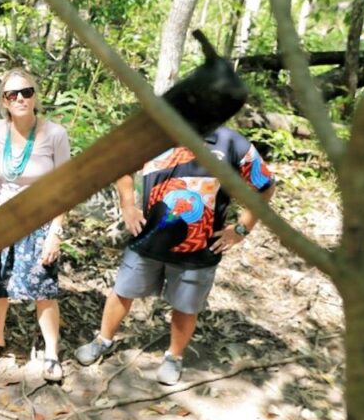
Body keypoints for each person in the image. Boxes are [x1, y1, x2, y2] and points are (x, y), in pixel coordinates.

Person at [74, 126, 276, 385]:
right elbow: (122, 166)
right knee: (123, 291)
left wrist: (241, 228)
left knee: (185, 306)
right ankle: (103, 340)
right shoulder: (154, 134)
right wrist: (128, 205)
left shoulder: (232, 143)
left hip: (199, 248)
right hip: (147, 238)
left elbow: (265, 184)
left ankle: (174, 357)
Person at [0, 68, 71, 382]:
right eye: (13, 94)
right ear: (4, 100)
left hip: (39, 221)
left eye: (26, 91)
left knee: (43, 287)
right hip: (0, 218)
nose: (20, 98)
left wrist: (56, 232)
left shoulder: (54, 133)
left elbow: (66, 186)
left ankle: (51, 352)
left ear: (35, 95)